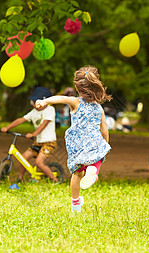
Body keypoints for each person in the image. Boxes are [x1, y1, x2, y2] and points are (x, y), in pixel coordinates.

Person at [35, 66, 112, 213]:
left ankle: (75, 205)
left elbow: (60, 98)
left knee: (77, 173)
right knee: (96, 162)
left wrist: (45, 102)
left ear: (77, 86)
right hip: (93, 141)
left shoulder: (75, 102)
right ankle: (92, 173)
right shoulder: (99, 108)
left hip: (77, 144)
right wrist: (104, 145)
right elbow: (104, 129)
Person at [0, 87, 58, 182]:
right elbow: (21, 120)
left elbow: (44, 124)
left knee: (39, 162)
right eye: (33, 102)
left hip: (49, 142)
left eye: (37, 102)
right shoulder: (34, 112)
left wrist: (33, 134)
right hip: (38, 142)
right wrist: (7, 128)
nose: (35, 105)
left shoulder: (50, 110)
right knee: (23, 158)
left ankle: (55, 180)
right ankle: (20, 178)